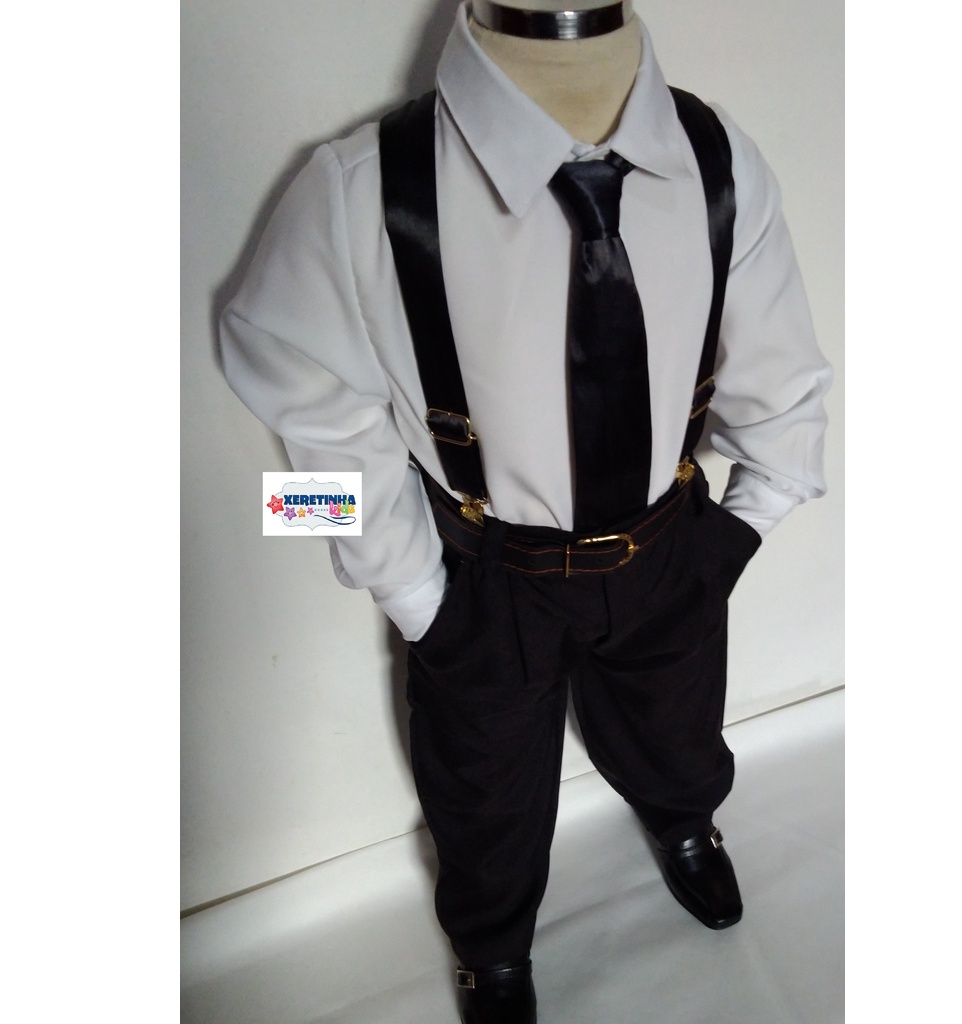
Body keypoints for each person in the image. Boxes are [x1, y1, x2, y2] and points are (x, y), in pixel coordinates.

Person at [220, 2, 832, 1021]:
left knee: (679, 726)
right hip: (485, 574)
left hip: (665, 544)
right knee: (482, 786)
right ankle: (492, 942)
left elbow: (782, 366)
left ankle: (685, 818)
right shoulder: (362, 187)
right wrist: (416, 598)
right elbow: (295, 407)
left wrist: (741, 527)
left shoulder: (715, 157)